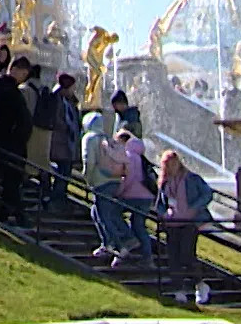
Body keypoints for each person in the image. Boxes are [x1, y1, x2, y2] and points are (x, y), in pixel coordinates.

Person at [155, 149, 215, 304]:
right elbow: (160, 204)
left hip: (190, 222)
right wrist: (163, 213)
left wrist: (195, 207)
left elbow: (207, 194)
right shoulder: (165, 182)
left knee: (187, 254)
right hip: (172, 223)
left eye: (172, 163)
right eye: (166, 165)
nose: (170, 167)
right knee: (173, 257)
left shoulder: (191, 179)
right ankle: (179, 290)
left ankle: (200, 284)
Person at [0, 56, 35, 227]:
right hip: (8, 141)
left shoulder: (10, 89)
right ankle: (16, 217)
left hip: (13, 141)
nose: (24, 78)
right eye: (24, 74)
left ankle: (6, 214)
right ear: (16, 69)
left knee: (13, 181)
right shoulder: (4, 88)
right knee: (11, 180)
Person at [82, 110, 136, 257]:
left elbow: (89, 161)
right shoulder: (107, 138)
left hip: (101, 182)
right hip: (115, 180)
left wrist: (87, 178)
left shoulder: (89, 138)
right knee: (97, 212)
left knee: (104, 215)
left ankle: (119, 245)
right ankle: (108, 243)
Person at [113, 128, 156, 263]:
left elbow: (129, 178)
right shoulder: (141, 156)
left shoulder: (129, 156)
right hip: (146, 196)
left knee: (112, 213)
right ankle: (147, 257)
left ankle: (128, 239)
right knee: (139, 226)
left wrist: (118, 192)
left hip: (132, 195)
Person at [46, 73, 84, 210]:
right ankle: (56, 199)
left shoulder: (71, 102)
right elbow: (58, 120)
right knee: (62, 171)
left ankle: (59, 197)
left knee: (65, 172)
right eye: (72, 88)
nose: (73, 90)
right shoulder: (56, 100)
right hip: (60, 142)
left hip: (68, 142)